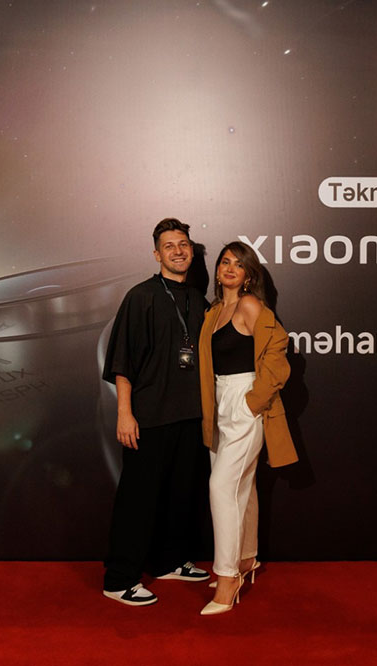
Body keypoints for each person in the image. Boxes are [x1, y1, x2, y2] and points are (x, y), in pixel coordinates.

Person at [100, 218, 211, 606]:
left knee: (180, 496)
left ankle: (169, 561)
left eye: (183, 244)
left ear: (191, 251)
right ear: (156, 254)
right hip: (148, 417)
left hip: (189, 416)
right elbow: (123, 362)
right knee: (138, 500)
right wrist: (124, 414)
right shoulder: (141, 296)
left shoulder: (198, 299)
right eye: (169, 246)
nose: (178, 251)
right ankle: (119, 579)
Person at [197, 241, 298, 615]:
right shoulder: (214, 312)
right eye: (225, 262)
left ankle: (227, 578)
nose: (229, 268)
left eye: (238, 264)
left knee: (221, 486)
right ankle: (245, 559)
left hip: (244, 400)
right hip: (218, 402)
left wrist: (252, 401)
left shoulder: (250, 305)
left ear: (248, 275)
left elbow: (278, 350)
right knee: (241, 487)